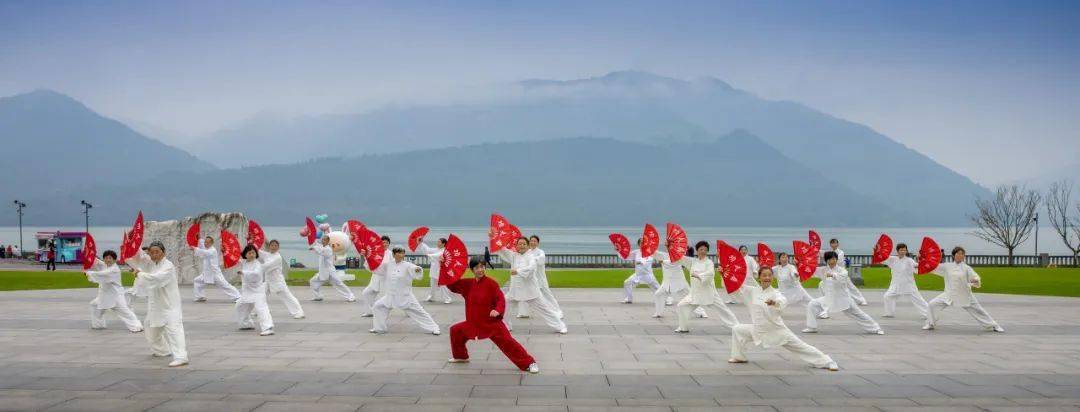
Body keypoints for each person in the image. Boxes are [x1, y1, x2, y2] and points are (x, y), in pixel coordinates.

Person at [729, 267, 839, 371]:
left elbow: (782, 300)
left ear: (772, 277)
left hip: (776, 330)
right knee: (737, 329)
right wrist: (725, 273)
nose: (767, 278)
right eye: (764, 275)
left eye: (769, 275)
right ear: (759, 277)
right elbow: (737, 286)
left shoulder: (775, 293)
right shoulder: (752, 291)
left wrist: (774, 303)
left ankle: (827, 361)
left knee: (800, 346)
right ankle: (739, 356)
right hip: (758, 330)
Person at [447, 256, 540, 373]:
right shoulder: (468, 284)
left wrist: (497, 310)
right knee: (456, 331)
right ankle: (461, 356)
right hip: (473, 324)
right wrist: (444, 266)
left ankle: (530, 363)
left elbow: (500, 299)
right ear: (472, 270)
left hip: (491, 323)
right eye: (477, 267)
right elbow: (452, 285)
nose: (480, 270)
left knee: (509, 343)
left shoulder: (492, 284)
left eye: (482, 266)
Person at [127, 241, 188, 367]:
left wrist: (139, 274)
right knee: (150, 328)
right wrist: (133, 244)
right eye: (152, 252)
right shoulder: (152, 264)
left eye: (157, 252)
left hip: (170, 305)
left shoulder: (168, 266)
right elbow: (139, 259)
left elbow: (156, 279)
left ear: (163, 252)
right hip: (156, 306)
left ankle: (181, 357)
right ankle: (162, 350)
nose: (154, 255)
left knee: (174, 330)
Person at [495, 235, 567, 334]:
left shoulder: (531, 256)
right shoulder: (514, 256)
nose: (522, 246)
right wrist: (493, 237)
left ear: (528, 246)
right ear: (516, 246)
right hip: (515, 291)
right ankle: (506, 325)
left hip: (530, 291)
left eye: (524, 244)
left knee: (544, 309)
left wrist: (518, 271)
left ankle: (560, 326)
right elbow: (502, 249)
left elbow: (531, 268)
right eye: (520, 244)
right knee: (505, 305)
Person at [924, 246, 1004, 332]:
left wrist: (975, 280)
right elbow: (933, 266)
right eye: (958, 253)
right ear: (953, 255)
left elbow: (975, 277)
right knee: (932, 304)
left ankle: (994, 325)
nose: (960, 255)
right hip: (949, 294)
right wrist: (921, 261)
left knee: (979, 310)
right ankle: (930, 323)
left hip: (964, 294)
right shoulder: (947, 266)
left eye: (962, 254)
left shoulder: (967, 268)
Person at [803, 251, 884, 335]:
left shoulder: (842, 270)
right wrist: (799, 264)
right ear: (827, 260)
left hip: (843, 298)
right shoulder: (822, 270)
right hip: (829, 298)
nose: (833, 260)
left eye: (834, 258)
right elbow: (809, 270)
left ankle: (876, 328)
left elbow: (843, 277)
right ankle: (811, 327)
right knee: (812, 304)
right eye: (831, 259)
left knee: (858, 313)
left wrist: (833, 275)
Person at [365, 246, 440, 335]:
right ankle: (379, 328)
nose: (401, 255)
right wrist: (367, 257)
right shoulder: (388, 264)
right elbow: (375, 268)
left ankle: (434, 328)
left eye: (403, 253)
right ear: (393, 254)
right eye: (399, 253)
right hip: (390, 296)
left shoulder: (407, 265)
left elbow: (416, 270)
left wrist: (418, 269)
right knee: (377, 307)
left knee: (420, 312)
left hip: (405, 297)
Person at [675, 241, 740, 333]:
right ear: (697, 251)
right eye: (701, 249)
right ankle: (683, 327)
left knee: (723, 310)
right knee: (681, 306)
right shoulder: (692, 261)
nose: (703, 251)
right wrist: (669, 246)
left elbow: (710, 274)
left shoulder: (709, 263)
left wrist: (698, 275)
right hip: (695, 294)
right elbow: (678, 257)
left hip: (709, 293)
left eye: (705, 250)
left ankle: (737, 326)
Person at [85, 250, 144, 332]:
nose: (108, 260)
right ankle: (98, 325)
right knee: (95, 306)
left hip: (115, 296)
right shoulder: (106, 266)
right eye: (106, 258)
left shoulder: (114, 269)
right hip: (104, 296)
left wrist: (89, 273)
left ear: (114, 259)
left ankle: (137, 326)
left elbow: (103, 274)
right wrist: (89, 255)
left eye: (110, 258)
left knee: (125, 312)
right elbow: (98, 262)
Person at [651, 243, 707, 319]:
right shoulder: (664, 255)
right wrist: (647, 247)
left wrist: (663, 262)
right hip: (667, 283)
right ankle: (658, 313)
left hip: (679, 282)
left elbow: (673, 262)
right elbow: (654, 253)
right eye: (667, 246)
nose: (668, 247)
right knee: (658, 294)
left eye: (669, 246)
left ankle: (702, 312)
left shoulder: (678, 256)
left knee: (690, 297)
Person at [517, 235, 564, 319]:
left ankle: (557, 311)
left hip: (540, 278)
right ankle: (523, 312)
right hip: (530, 279)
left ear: (538, 243)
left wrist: (532, 260)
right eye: (531, 241)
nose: (532, 242)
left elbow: (541, 259)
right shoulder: (527, 252)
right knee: (524, 294)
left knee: (547, 295)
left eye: (534, 241)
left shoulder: (540, 252)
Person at [881, 243, 929, 319]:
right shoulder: (892, 259)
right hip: (896, 284)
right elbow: (882, 259)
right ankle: (889, 313)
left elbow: (915, 265)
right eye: (901, 250)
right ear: (897, 251)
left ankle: (928, 314)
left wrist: (922, 261)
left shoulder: (909, 260)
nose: (903, 251)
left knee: (918, 300)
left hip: (908, 284)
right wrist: (876, 252)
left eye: (905, 250)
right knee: (887, 296)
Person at [235, 244, 274, 336]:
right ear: (245, 254)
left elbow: (256, 274)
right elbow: (234, 260)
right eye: (249, 253)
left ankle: (268, 327)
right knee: (240, 306)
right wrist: (224, 251)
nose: (252, 254)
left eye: (253, 252)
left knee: (261, 308)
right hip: (247, 292)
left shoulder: (257, 264)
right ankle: (246, 323)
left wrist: (243, 272)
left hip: (257, 291)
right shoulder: (244, 262)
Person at [261, 239, 305, 319]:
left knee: (287, 297)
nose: (273, 247)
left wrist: (255, 268)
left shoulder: (278, 257)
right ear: (269, 246)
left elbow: (266, 266)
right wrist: (251, 242)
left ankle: (299, 312)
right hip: (268, 281)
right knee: (261, 296)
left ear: (278, 247)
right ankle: (260, 310)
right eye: (272, 245)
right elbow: (258, 252)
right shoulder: (268, 255)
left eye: (275, 246)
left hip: (277, 281)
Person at [191, 236, 241, 302]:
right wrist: (199, 238)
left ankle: (238, 297)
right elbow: (203, 248)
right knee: (197, 281)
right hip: (207, 273)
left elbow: (205, 252)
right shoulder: (207, 249)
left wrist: (195, 249)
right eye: (205, 242)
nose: (205, 243)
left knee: (224, 285)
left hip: (215, 273)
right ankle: (200, 296)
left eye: (207, 242)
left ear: (211, 243)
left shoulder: (212, 250)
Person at [309, 234, 356, 302]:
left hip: (330, 272)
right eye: (322, 240)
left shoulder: (328, 249)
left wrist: (314, 248)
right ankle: (318, 296)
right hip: (323, 272)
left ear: (328, 241)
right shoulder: (323, 247)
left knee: (339, 283)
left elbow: (321, 251)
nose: (323, 241)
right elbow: (319, 247)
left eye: (325, 240)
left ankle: (351, 296)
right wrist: (313, 240)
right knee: (313, 281)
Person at [826, 238, 867, 306]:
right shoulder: (829, 253)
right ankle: (833, 301)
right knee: (831, 287)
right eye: (832, 243)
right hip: (833, 273)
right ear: (830, 244)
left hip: (841, 273)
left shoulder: (841, 252)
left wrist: (830, 260)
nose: (833, 244)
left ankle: (861, 300)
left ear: (837, 244)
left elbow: (837, 261)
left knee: (850, 287)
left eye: (835, 243)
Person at [617, 238, 659, 304]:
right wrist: (619, 250)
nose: (642, 244)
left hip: (648, 275)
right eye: (641, 243)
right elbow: (626, 256)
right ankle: (629, 299)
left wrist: (641, 262)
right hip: (638, 275)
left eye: (644, 242)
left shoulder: (650, 252)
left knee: (657, 288)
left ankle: (667, 299)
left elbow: (649, 260)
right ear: (638, 244)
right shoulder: (636, 252)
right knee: (627, 282)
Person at [359, 236, 393, 316]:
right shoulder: (375, 252)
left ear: (389, 244)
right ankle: (369, 311)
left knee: (387, 297)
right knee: (366, 293)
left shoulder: (391, 254)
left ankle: (407, 308)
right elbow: (369, 263)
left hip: (385, 279)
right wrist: (364, 256)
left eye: (386, 243)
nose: (384, 244)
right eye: (383, 242)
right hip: (375, 278)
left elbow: (393, 266)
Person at [416, 236, 453, 304]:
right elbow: (428, 249)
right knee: (432, 284)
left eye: (439, 242)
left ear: (443, 244)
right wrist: (421, 243)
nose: (437, 243)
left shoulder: (445, 251)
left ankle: (447, 298)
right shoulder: (436, 249)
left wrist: (430, 255)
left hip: (441, 270)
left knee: (442, 284)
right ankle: (432, 297)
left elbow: (437, 255)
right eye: (438, 241)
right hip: (434, 269)